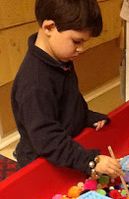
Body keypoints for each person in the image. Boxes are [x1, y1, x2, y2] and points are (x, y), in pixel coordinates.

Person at [11, 0, 122, 179]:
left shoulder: (61, 61)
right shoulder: (35, 82)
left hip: (64, 151)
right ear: (49, 27)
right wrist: (90, 161)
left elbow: (70, 101)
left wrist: (86, 116)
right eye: (76, 41)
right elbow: (46, 138)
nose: (81, 49)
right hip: (41, 163)